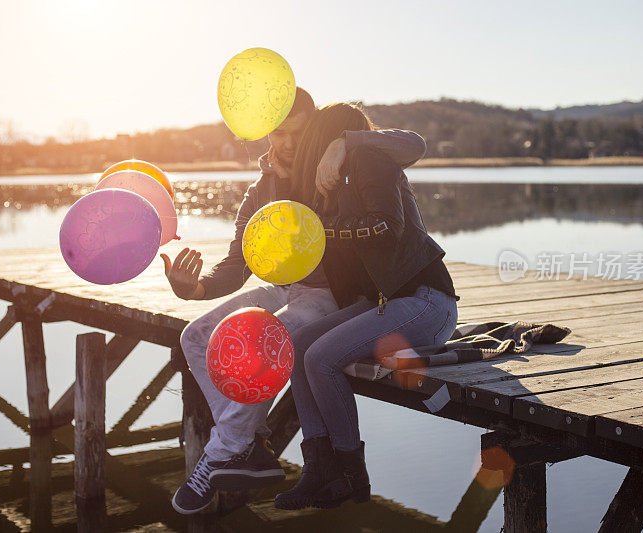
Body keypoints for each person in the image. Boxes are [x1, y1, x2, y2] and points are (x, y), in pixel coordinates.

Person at [165, 88, 429, 514]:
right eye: (278, 134)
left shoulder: (331, 169)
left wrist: (345, 142)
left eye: (298, 134)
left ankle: (225, 449)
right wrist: (191, 288)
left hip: (332, 295)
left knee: (268, 340)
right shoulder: (259, 192)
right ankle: (244, 443)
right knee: (195, 336)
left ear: (314, 135)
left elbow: (413, 145)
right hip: (285, 286)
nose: (286, 144)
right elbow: (235, 267)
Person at [273, 103, 460, 510]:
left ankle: (350, 476)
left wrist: (346, 143)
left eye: (315, 139)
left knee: (321, 357)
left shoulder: (369, 158)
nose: (308, 150)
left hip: (427, 301)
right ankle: (318, 469)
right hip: (388, 303)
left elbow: (384, 225)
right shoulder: (336, 186)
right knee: (300, 345)